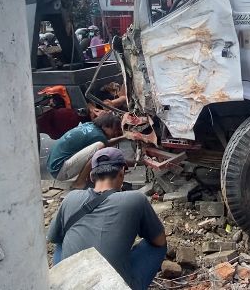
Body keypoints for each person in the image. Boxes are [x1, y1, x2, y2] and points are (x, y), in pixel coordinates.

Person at [48, 148, 166, 290]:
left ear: (92, 177)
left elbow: (53, 238)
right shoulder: (136, 199)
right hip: (114, 286)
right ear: (122, 173)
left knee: (61, 242)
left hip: (72, 284)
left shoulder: (70, 198)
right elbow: (159, 241)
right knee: (157, 246)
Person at [47, 112, 121, 189]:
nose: (116, 133)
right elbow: (106, 146)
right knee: (99, 147)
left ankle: (88, 180)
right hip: (60, 170)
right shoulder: (99, 136)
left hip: (54, 167)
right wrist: (131, 162)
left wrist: (124, 137)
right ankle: (79, 183)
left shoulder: (89, 125)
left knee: (97, 148)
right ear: (105, 126)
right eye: (115, 129)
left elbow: (106, 143)